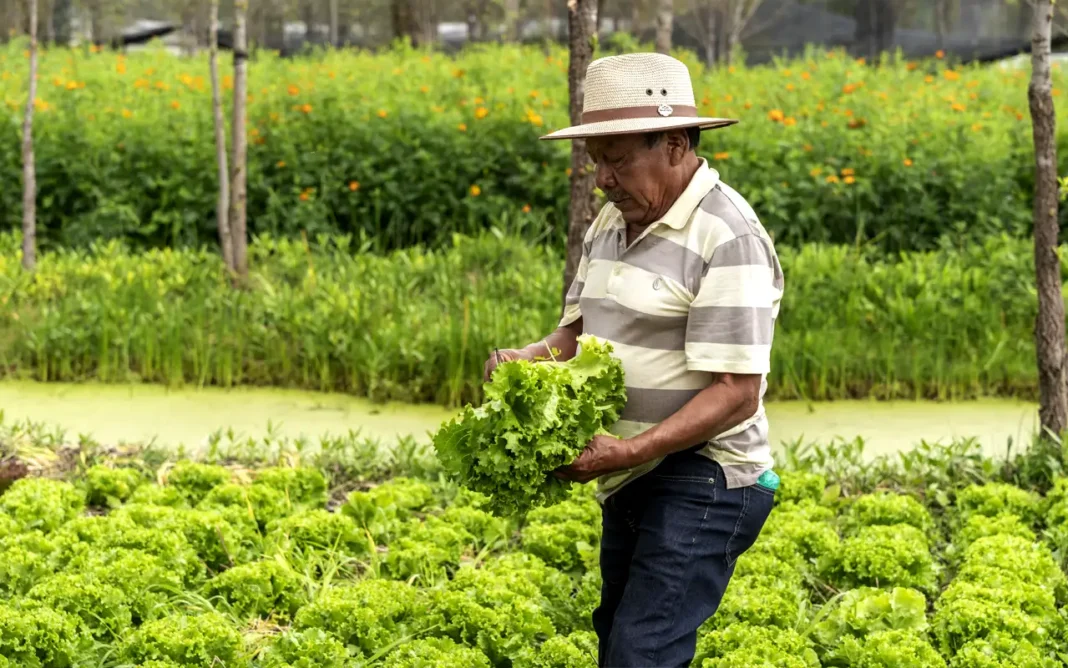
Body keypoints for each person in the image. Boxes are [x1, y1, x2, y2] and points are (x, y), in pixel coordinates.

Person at [483, 52, 785, 667]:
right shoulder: (611, 221)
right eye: (598, 162)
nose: (602, 179)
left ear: (674, 144)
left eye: (618, 160)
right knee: (619, 638)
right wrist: (528, 359)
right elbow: (577, 334)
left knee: (640, 652)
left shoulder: (727, 236)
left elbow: (736, 392)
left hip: (704, 474)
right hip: (633, 474)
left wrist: (627, 450)